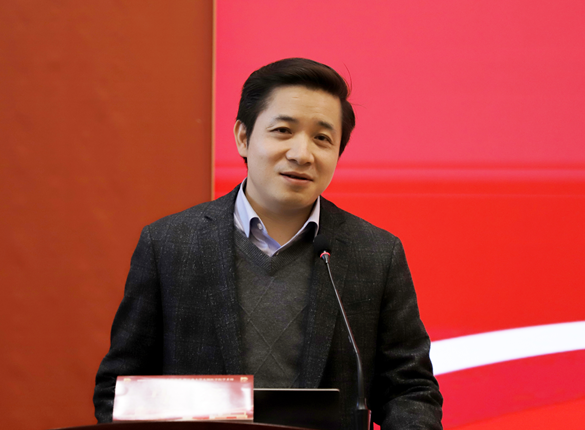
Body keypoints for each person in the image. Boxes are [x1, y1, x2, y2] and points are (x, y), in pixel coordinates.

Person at [94, 58, 443, 430]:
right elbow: (120, 390)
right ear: (243, 137)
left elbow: (410, 389)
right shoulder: (169, 244)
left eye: (322, 138)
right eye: (282, 131)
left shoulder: (375, 254)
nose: (301, 154)